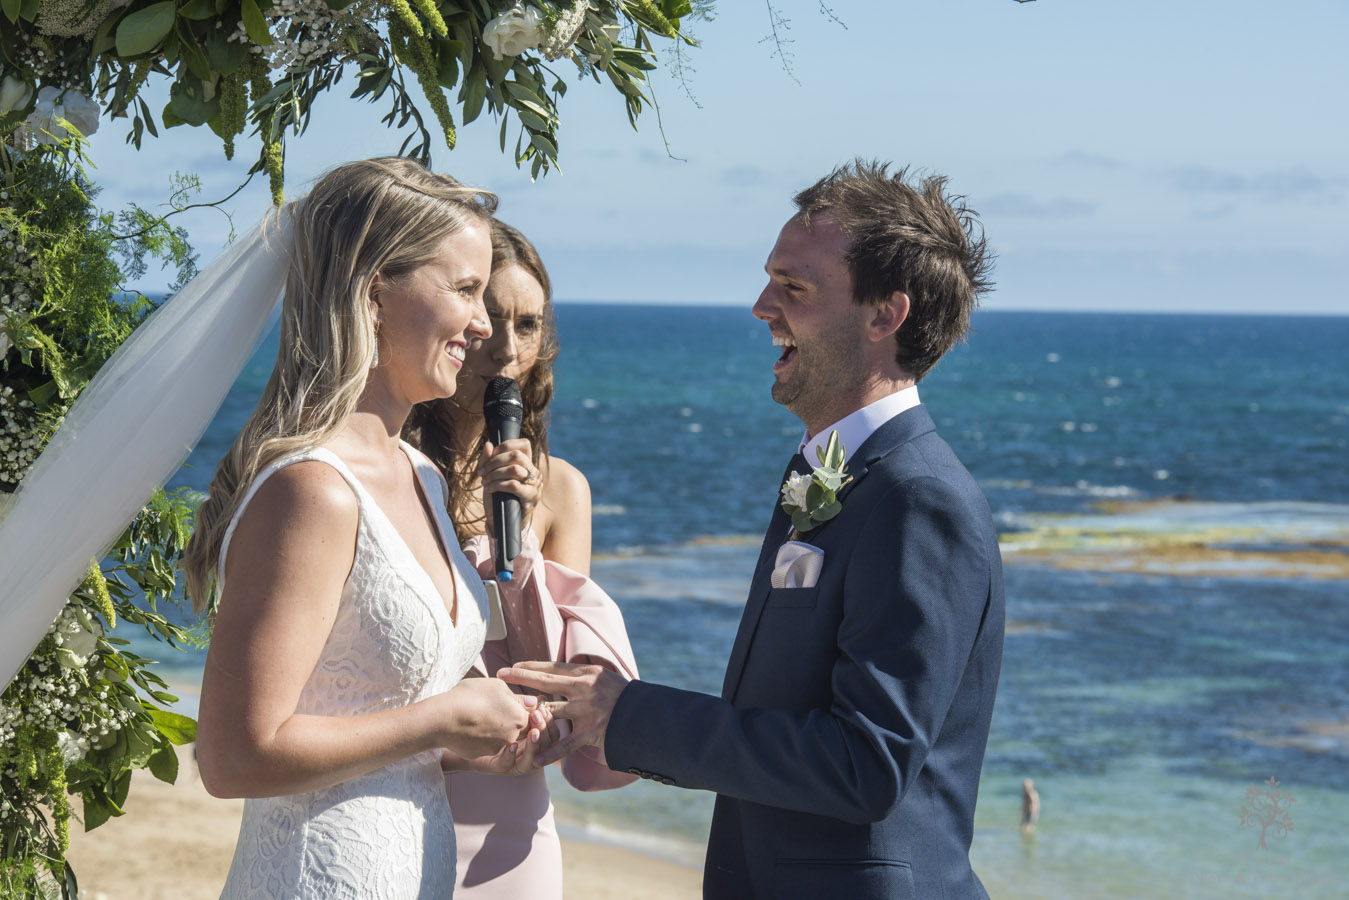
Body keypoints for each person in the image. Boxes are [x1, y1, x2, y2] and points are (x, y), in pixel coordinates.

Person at [500, 160, 1006, 899]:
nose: (761, 306)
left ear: (883, 315)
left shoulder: (918, 499)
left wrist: (631, 714)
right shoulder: (831, 472)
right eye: (770, 280)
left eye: (793, 287)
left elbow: (866, 765)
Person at [184, 157, 550, 899]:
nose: (482, 325)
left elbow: (369, 722)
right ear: (376, 290)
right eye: (466, 290)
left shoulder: (421, 473)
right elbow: (232, 757)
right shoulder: (311, 491)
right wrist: (443, 716)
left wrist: (476, 742)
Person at [405, 219, 638, 898]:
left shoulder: (561, 490)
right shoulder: (387, 470)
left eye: (528, 325)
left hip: (512, 826)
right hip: (395, 792)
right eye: (488, 319)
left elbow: (556, 676)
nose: (505, 349)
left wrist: (548, 730)